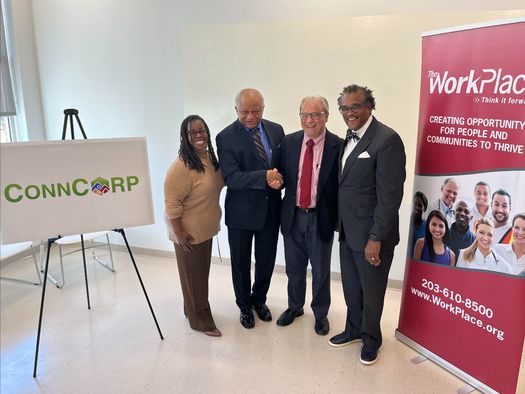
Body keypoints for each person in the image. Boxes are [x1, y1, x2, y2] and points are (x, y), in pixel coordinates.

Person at [330, 84, 406, 366]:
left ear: (369, 106)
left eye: (356, 106)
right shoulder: (345, 140)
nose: (350, 112)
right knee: (352, 287)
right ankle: (353, 329)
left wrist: (376, 237)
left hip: (373, 236)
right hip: (348, 231)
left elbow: (390, 196)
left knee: (371, 291)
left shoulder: (386, 140)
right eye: (345, 108)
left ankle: (371, 339)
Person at [216, 88, 285, 329]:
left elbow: (281, 168)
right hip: (241, 214)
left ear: (263, 108)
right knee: (241, 263)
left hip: (270, 211)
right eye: (244, 112)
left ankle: (259, 300)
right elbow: (231, 178)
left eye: (256, 111)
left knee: (266, 261)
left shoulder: (276, 130)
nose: (250, 116)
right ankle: (244, 306)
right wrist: (264, 176)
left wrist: (279, 179)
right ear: (236, 110)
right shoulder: (225, 137)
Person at [276, 96, 343, 336]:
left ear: (326, 116)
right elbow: (281, 173)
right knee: (294, 268)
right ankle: (295, 307)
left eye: (315, 114)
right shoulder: (290, 142)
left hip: (320, 218)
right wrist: (276, 179)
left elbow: (340, 186)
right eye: (305, 115)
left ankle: (320, 313)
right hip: (293, 216)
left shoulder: (339, 145)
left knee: (321, 270)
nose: (310, 120)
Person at [164, 115, 224, 337]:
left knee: (196, 276)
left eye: (202, 131)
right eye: (193, 133)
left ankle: (190, 309)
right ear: (185, 137)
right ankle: (202, 322)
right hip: (189, 234)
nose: (199, 136)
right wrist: (179, 232)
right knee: (195, 279)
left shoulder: (207, 158)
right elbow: (171, 202)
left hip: (205, 231)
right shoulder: (181, 166)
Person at [407, 191, 428, 258]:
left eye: (420, 205)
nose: (416, 207)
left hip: (419, 262)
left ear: (424, 208)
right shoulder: (407, 222)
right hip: (406, 261)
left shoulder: (428, 226)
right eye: (415, 204)